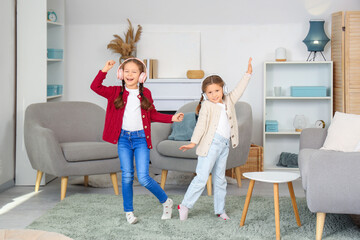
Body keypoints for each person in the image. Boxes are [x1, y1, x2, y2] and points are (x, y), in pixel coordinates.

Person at [91, 58, 184, 224]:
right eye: (126, 71)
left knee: (143, 177)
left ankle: (166, 201)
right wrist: (105, 69)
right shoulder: (114, 92)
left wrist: (172, 118)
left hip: (141, 139)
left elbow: (153, 115)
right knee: (126, 176)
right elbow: (95, 87)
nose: (130, 74)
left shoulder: (146, 93)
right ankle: (129, 212)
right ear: (121, 74)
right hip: (123, 139)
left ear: (141, 75)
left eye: (134, 71)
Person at [178, 58, 253, 221]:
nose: (213, 95)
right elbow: (201, 126)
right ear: (205, 93)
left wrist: (247, 74)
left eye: (217, 91)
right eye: (209, 92)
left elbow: (240, 89)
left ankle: (220, 210)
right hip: (210, 145)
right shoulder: (207, 106)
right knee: (202, 177)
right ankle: (184, 205)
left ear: (222, 89)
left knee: (220, 180)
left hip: (224, 145)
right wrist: (193, 142)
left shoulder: (228, 100)